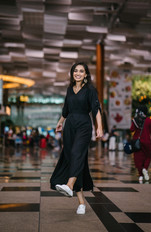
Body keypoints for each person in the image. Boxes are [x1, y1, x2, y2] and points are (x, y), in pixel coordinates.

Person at [50, 62, 103, 215]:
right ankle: (81, 203)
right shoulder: (69, 90)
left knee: (76, 153)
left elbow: (96, 109)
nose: (78, 73)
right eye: (75, 71)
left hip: (84, 125)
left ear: (86, 74)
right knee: (74, 159)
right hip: (69, 126)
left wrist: (99, 126)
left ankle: (69, 185)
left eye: (81, 71)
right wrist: (60, 123)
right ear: (72, 73)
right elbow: (65, 110)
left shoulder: (90, 90)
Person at [130, 105, 151, 182]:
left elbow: (131, 129)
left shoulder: (136, 120)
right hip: (147, 141)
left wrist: (134, 120)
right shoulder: (149, 121)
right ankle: (145, 168)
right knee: (148, 156)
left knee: (138, 158)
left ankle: (140, 176)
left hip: (137, 142)